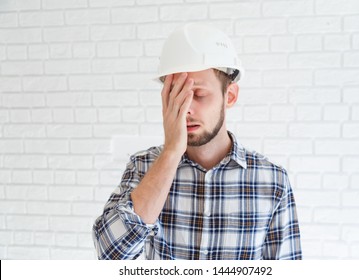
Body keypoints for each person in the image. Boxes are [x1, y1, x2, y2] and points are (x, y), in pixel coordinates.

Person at [92, 23, 302, 260]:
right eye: (177, 96)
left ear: (229, 96)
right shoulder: (143, 166)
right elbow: (110, 256)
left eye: (199, 95)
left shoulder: (272, 181)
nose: (186, 109)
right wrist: (171, 152)